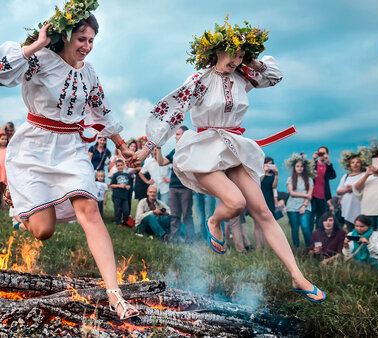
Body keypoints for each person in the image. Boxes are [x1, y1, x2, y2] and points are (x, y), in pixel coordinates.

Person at [135, 18, 325, 302]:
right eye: (232, 53)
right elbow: (173, 111)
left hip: (233, 147)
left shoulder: (243, 78)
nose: (236, 60)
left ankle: (297, 276)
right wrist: (147, 147)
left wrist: (253, 61)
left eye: (240, 55)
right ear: (216, 51)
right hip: (202, 150)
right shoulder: (199, 80)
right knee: (235, 203)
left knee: (262, 211)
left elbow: (275, 76)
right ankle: (214, 221)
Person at [0, 7, 138, 318]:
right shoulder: (39, 59)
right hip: (35, 146)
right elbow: (1, 72)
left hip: (71, 147)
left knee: (90, 209)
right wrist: (37, 43)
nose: (86, 45)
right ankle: (17, 197)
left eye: (92, 40)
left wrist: (122, 147)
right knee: (43, 231)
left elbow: (102, 112)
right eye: (81, 38)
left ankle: (115, 295)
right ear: (65, 36)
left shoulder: (89, 72)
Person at [154, 126, 194, 242]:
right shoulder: (174, 151)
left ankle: (190, 240)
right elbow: (161, 162)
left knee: (187, 215)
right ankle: (174, 239)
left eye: (178, 134)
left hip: (186, 187)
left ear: (185, 136)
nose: (176, 137)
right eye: (175, 134)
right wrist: (159, 148)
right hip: (173, 187)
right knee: (175, 215)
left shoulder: (191, 150)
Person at [285, 154, 314, 249]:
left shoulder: (309, 179)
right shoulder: (290, 179)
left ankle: (310, 247)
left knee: (305, 226)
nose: (300, 168)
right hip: (292, 207)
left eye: (301, 166)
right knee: (295, 228)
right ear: (294, 167)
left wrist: (304, 206)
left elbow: (310, 194)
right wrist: (306, 195)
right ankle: (297, 248)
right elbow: (292, 193)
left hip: (305, 206)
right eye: (297, 166)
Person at [336, 151, 366, 231]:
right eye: (352, 162)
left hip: (360, 207)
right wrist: (348, 190)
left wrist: (353, 188)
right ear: (349, 165)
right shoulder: (345, 176)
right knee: (351, 231)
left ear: (361, 164)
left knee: (362, 230)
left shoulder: (365, 175)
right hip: (347, 207)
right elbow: (338, 191)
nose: (355, 164)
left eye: (358, 162)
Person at [256, 156, 279, 249]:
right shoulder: (259, 174)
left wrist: (276, 174)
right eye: (267, 163)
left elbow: (274, 186)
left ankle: (266, 246)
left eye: (271, 164)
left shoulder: (273, 175)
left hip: (269, 200)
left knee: (267, 225)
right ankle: (258, 246)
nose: (269, 165)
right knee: (257, 224)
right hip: (259, 198)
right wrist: (264, 172)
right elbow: (258, 183)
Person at [311, 146, 336, 229]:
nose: (322, 155)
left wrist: (328, 162)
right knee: (310, 219)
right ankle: (310, 240)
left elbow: (333, 176)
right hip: (312, 196)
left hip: (323, 197)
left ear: (327, 154)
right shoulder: (314, 164)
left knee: (321, 220)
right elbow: (307, 172)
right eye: (320, 153)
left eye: (324, 153)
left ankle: (319, 239)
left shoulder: (327, 166)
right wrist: (313, 159)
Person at [110, 159, 132, 227]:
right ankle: (118, 222)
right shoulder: (115, 175)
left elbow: (130, 185)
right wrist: (119, 185)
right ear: (116, 167)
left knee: (126, 210)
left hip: (125, 196)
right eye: (118, 165)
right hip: (117, 195)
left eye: (121, 165)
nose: (120, 167)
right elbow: (111, 185)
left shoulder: (127, 175)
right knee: (118, 209)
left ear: (124, 165)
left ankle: (125, 221)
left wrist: (128, 187)